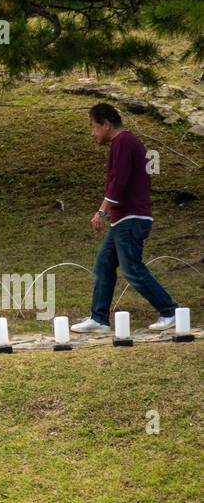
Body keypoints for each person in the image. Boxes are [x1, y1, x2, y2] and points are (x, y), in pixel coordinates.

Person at [72, 103, 179, 333]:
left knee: (132, 269)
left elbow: (118, 182)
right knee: (104, 265)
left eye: (93, 127)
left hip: (131, 217)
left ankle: (170, 312)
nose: (92, 133)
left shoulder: (123, 142)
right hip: (124, 219)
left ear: (106, 124)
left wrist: (101, 211)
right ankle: (99, 319)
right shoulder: (126, 143)